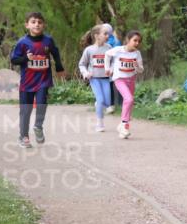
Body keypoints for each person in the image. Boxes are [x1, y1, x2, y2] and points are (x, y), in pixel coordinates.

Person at [9, 11, 65, 148]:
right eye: (33, 22)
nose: (37, 24)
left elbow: (55, 53)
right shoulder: (22, 42)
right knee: (26, 110)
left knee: (41, 104)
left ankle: (38, 126)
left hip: (43, 80)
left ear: (44, 25)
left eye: (40, 22)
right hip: (27, 82)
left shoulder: (48, 40)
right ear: (27, 25)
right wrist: (25, 58)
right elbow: (14, 60)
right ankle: (24, 136)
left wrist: (59, 68)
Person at [104, 30, 144, 139]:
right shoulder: (118, 50)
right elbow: (107, 55)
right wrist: (107, 68)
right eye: (135, 40)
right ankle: (124, 126)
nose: (137, 43)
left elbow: (141, 70)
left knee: (129, 102)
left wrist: (136, 66)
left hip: (131, 80)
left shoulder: (137, 53)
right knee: (129, 99)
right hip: (119, 79)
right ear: (128, 39)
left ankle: (122, 126)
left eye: (139, 41)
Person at [77, 24, 112, 132]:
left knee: (107, 103)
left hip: (105, 79)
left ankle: (99, 104)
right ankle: (99, 124)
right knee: (101, 100)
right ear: (97, 36)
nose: (107, 36)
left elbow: (113, 62)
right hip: (94, 79)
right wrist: (85, 73)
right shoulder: (89, 50)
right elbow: (82, 64)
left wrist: (111, 69)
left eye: (108, 34)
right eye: (105, 34)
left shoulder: (109, 48)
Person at [102, 23, 121, 112]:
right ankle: (111, 104)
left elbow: (114, 56)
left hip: (111, 67)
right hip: (110, 66)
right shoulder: (115, 40)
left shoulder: (112, 42)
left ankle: (111, 104)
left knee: (110, 85)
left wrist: (111, 68)